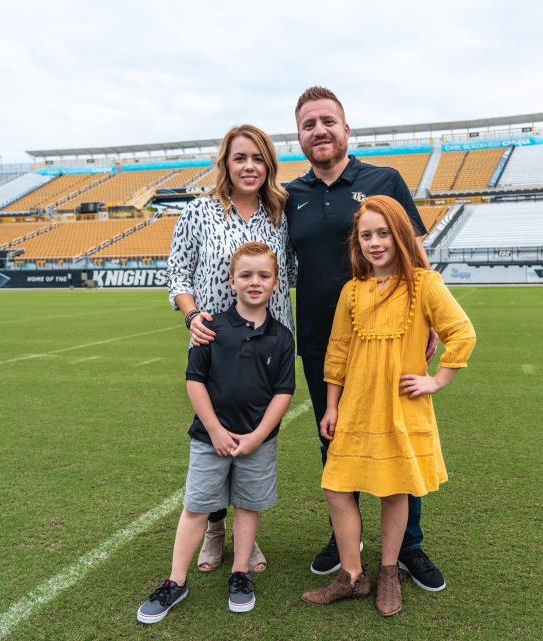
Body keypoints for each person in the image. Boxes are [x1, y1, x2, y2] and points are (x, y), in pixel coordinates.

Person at [285, 86, 447, 591]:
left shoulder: (384, 179)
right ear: (299, 136)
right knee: (334, 440)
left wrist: (432, 325)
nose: (320, 131)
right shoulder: (290, 196)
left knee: (400, 437)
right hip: (321, 341)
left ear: (346, 127)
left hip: (394, 337)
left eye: (328, 121)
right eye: (309, 124)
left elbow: (416, 255)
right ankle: (347, 544)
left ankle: (409, 548)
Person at [300, 195, 476, 615]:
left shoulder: (424, 285)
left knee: (394, 491)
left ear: (399, 234)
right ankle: (352, 576)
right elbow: (338, 351)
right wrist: (331, 406)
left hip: (400, 408)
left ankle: (390, 571)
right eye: (366, 235)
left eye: (383, 233)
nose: (375, 242)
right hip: (356, 407)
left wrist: (436, 380)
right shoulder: (352, 291)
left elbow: (463, 333)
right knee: (336, 486)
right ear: (356, 243)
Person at [138, 242, 295, 623]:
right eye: (246, 275)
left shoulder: (282, 336)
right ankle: (176, 580)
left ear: (276, 283)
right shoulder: (209, 328)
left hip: (257, 442)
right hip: (210, 440)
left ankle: (239, 573)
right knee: (196, 507)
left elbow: (283, 392)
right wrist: (215, 429)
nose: (254, 282)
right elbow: (195, 382)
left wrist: (257, 436)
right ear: (231, 281)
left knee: (247, 505)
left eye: (263, 275)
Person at [167, 123, 293, 575]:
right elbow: (179, 275)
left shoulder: (280, 213)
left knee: (255, 433)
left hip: (267, 343)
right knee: (214, 434)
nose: (249, 166)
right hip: (215, 344)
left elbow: (290, 273)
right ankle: (215, 530)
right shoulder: (199, 212)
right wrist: (192, 316)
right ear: (225, 163)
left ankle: (246, 541)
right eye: (240, 157)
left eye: (258, 158)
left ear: (269, 165)